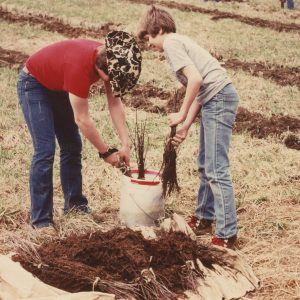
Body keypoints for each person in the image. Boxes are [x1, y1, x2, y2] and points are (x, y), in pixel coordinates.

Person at [17, 31, 142, 234]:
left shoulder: (109, 56)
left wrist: (125, 144)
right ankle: (41, 220)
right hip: (33, 84)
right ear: (101, 70)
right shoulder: (79, 69)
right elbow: (83, 120)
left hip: (58, 84)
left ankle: (75, 205)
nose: (109, 83)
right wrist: (106, 153)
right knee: (45, 150)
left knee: (72, 145)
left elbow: (115, 104)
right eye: (109, 79)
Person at [137, 6, 239, 248]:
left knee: (216, 168)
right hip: (213, 98)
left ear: (159, 30)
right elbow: (200, 92)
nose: (149, 44)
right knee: (205, 163)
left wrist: (181, 113)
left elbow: (196, 80)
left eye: (149, 38)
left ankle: (227, 232)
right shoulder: (177, 42)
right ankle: (205, 216)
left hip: (220, 98)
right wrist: (185, 126)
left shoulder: (171, 44)